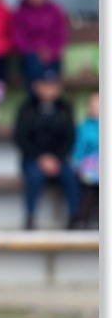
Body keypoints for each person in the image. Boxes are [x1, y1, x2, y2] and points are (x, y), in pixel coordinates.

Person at [12, 70, 80, 230]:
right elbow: (20, 138)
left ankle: (74, 217)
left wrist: (56, 158)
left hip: (59, 159)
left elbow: (70, 138)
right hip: (32, 159)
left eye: (53, 85)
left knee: (71, 177)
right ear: (37, 87)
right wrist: (40, 158)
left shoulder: (65, 108)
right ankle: (30, 217)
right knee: (34, 177)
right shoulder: (26, 108)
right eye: (46, 85)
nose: (50, 89)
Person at [12, 0, 69, 96]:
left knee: (49, 73)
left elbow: (60, 35)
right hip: (29, 56)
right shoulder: (20, 12)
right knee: (34, 66)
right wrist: (34, 51)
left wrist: (51, 51)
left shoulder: (55, 10)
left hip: (51, 56)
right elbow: (18, 38)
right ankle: (36, 105)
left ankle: (49, 106)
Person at [71, 91, 99, 229]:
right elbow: (79, 148)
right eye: (94, 104)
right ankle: (84, 218)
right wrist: (77, 163)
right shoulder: (84, 126)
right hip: (90, 166)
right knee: (89, 187)